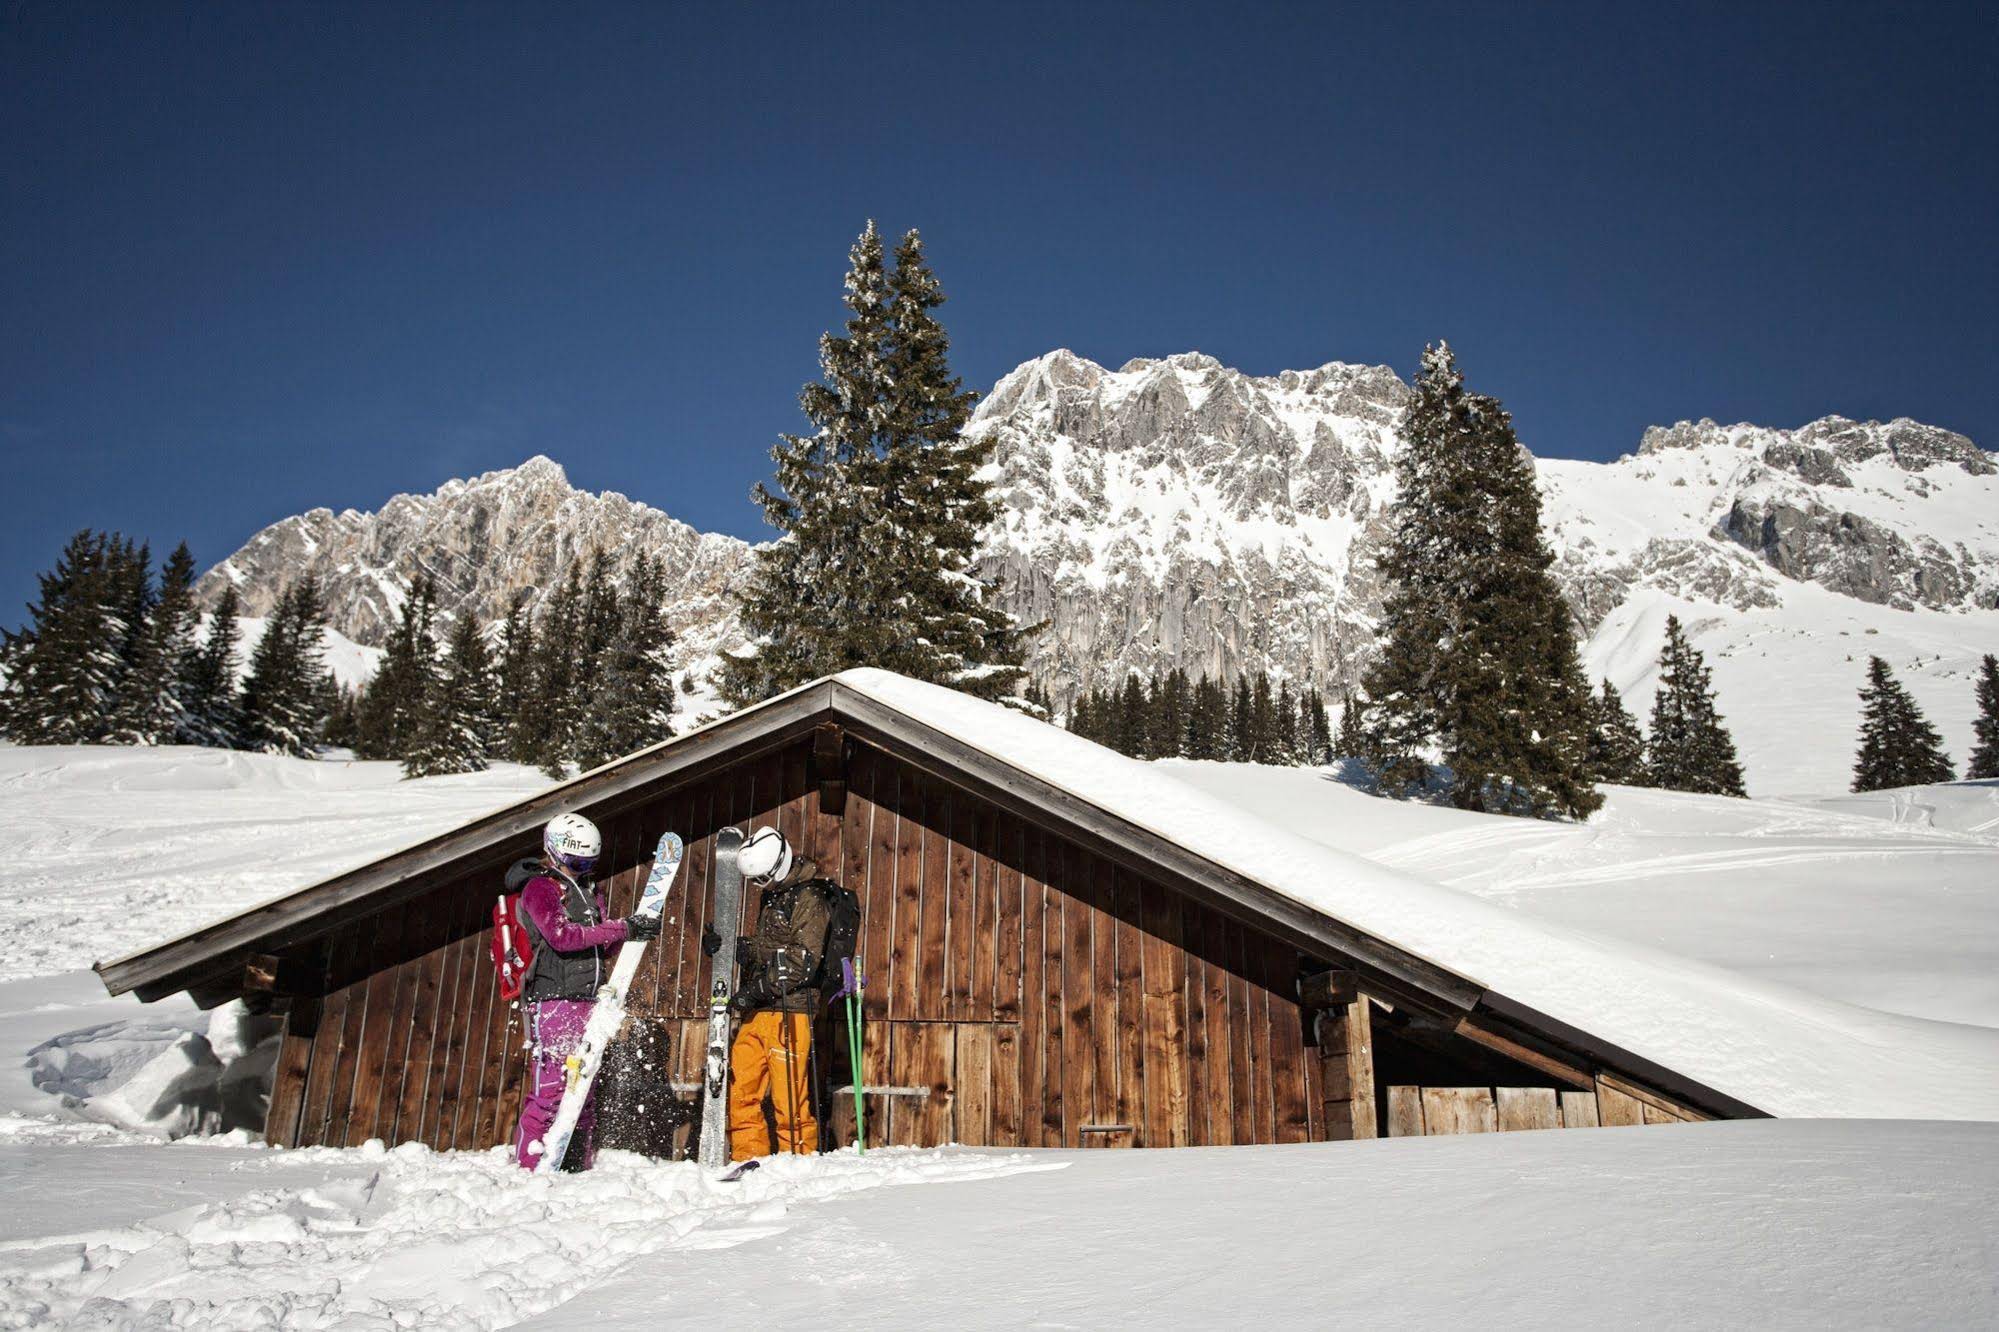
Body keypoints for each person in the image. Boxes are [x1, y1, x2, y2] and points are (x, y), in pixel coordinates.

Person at [511, 811, 662, 1171]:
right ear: (556, 851)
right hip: (555, 999)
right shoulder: (540, 888)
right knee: (553, 1090)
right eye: (576, 861)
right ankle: (529, 1166)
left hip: (588, 999)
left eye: (588, 862)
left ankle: (576, 1162)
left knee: (585, 1087)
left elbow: (599, 946)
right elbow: (561, 937)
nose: (582, 869)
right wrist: (622, 929)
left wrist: (631, 935)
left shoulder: (589, 890)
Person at [717, 826, 840, 1160]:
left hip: (791, 1010)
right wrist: (733, 947)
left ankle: (798, 1162)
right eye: (755, 882)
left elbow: (802, 961)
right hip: (760, 1008)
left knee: (789, 1099)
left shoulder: (810, 899)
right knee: (742, 1089)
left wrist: (753, 991)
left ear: (779, 865)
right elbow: (770, 949)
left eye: (762, 879)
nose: (760, 887)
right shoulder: (775, 896)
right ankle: (748, 1157)